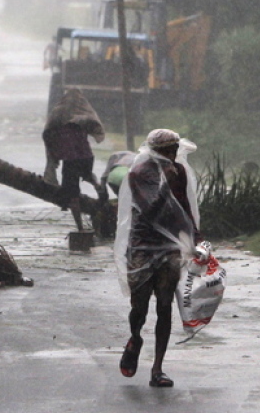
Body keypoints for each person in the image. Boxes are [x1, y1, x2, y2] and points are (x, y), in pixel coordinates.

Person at [114, 128, 200, 389]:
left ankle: (158, 368)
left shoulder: (180, 172)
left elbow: (185, 207)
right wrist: (163, 184)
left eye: (175, 151)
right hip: (142, 245)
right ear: (156, 153)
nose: (173, 156)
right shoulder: (139, 173)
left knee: (165, 305)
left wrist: (196, 239)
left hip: (170, 247)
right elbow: (150, 209)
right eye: (167, 152)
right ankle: (135, 337)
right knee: (139, 306)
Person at [42, 89, 106, 231]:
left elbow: (48, 132)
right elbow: (93, 122)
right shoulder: (82, 118)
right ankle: (97, 186)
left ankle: (80, 228)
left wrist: (53, 156)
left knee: (73, 196)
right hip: (86, 157)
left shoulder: (58, 118)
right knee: (88, 175)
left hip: (71, 160)